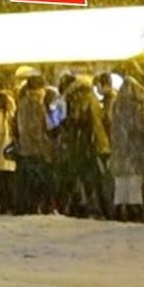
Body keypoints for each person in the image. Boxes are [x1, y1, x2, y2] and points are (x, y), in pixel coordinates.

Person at [59, 73, 110, 218]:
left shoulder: (76, 96)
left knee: (87, 175)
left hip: (85, 141)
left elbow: (77, 118)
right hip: (94, 140)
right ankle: (99, 206)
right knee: (94, 175)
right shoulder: (88, 94)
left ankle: (93, 206)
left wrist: (65, 126)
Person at [109, 63, 144, 222]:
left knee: (120, 186)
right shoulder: (137, 105)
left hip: (119, 150)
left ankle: (120, 212)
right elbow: (143, 126)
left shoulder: (116, 105)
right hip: (134, 150)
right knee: (135, 186)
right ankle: (135, 214)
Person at [15, 76, 56, 214]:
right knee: (39, 182)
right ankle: (37, 208)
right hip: (36, 150)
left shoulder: (22, 103)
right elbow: (36, 129)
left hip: (26, 149)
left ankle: (30, 207)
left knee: (30, 183)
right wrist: (46, 143)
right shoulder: (34, 105)